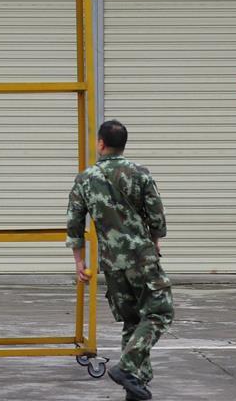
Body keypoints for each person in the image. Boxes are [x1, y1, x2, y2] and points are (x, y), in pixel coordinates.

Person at [66, 120, 174, 401]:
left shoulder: (85, 178)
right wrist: (155, 241)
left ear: (101, 143)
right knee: (160, 313)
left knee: (131, 321)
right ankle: (127, 369)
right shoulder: (140, 174)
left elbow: (74, 224)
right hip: (141, 257)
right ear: (123, 144)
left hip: (112, 263)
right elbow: (157, 219)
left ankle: (135, 388)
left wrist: (80, 262)